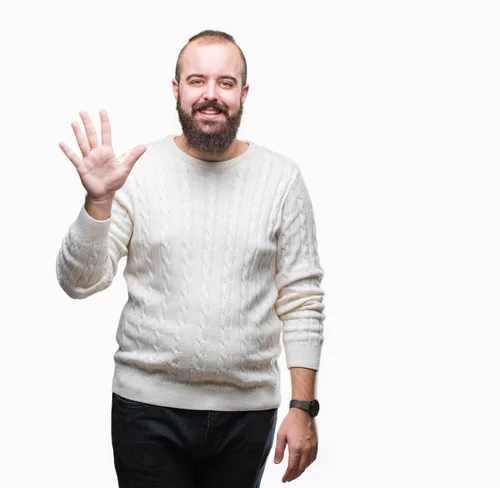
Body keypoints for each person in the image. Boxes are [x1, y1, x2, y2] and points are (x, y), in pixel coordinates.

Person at [56, 30, 326, 487]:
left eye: (225, 83)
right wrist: (97, 203)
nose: (210, 95)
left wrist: (303, 408)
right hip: (146, 411)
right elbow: (79, 282)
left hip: (247, 414)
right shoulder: (137, 172)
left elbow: (302, 300)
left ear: (243, 94)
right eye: (197, 80)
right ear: (177, 89)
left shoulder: (281, 179)